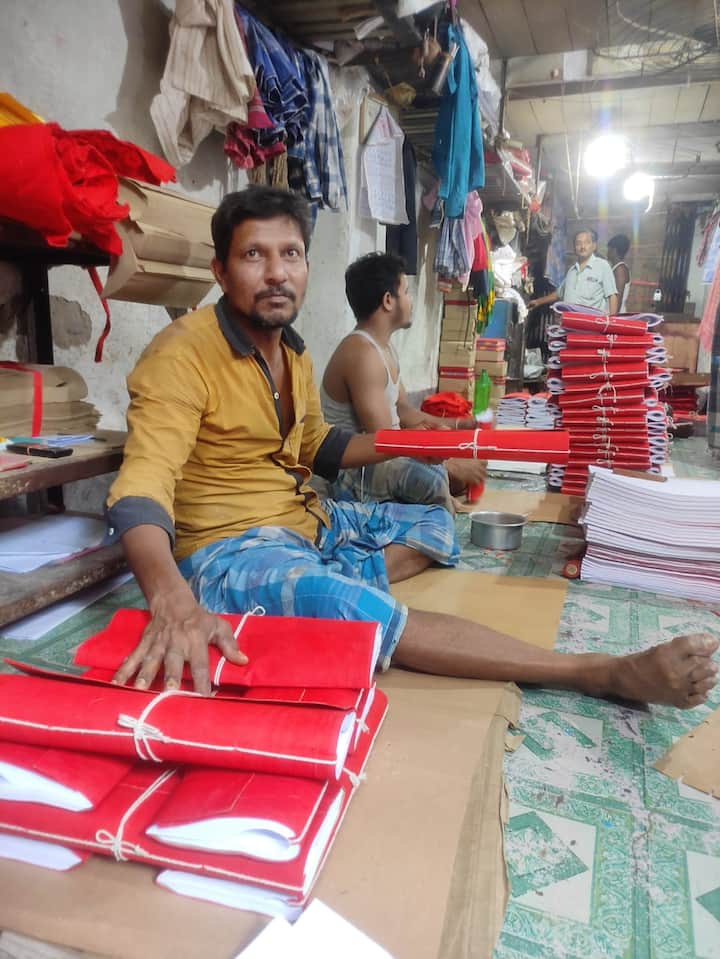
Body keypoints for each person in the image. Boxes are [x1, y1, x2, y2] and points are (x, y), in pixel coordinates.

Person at [106, 186, 718, 710]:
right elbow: (141, 487)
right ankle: (602, 671)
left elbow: (320, 446)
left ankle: (325, 585)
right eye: (253, 256)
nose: (276, 273)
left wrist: (421, 439)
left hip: (305, 520)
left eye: (290, 253)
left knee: (433, 515)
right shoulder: (182, 354)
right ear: (221, 271)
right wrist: (171, 599)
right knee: (355, 610)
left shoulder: (290, 350)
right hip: (231, 548)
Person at [320, 251, 486, 513]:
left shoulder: (383, 348)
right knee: (432, 478)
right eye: (406, 292)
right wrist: (448, 464)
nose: (410, 301)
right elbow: (385, 441)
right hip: (350, 473)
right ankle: (437, 528)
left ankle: (440, 507)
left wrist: (455, 426)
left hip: (384, 458)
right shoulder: (362, 354)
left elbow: (402, 410)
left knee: (445, 471)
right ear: (388, 301)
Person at [528, 229, 619, 314]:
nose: (582, 247)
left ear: (594, 246)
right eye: (578, 243)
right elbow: (559, 294)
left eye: (587, 243)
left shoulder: (602, 266)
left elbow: (612, 295)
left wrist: (611, 324)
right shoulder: (572, 271)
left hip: (593, 326)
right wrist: (538, 301)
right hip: (570, 324)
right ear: (574, 248)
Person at [607, 234, 631, 312]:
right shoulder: (616, 268)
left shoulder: (620, 269)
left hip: (615, 315)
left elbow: (618, 298)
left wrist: (612, 320)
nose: (607, 252)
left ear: (614, 250)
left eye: (609, 249)